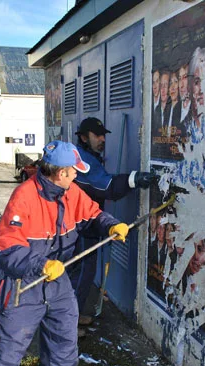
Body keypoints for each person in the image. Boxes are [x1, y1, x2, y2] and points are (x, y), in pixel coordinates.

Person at [0, 140, 129, 366]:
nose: (77, 174)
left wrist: (110, 225)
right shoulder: (24, 196)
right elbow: (7, 247)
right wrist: (40, 265)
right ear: (60, 173)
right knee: (7, 348)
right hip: (22, 283)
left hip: (58, 279)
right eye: (74, 170)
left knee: (64, 334)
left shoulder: (72, 192)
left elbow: (91, 215)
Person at [70, 117, 156, 334]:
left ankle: (75, 314)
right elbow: (106, 186)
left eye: (103, 135)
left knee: (86, 271)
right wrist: (134, 179)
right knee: (79, 272)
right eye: (97, 135)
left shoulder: (90, 157)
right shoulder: (83, 161)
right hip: (78, 226)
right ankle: (67, 325)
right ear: (83, 137)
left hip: (88, 223)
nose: (102, 139)